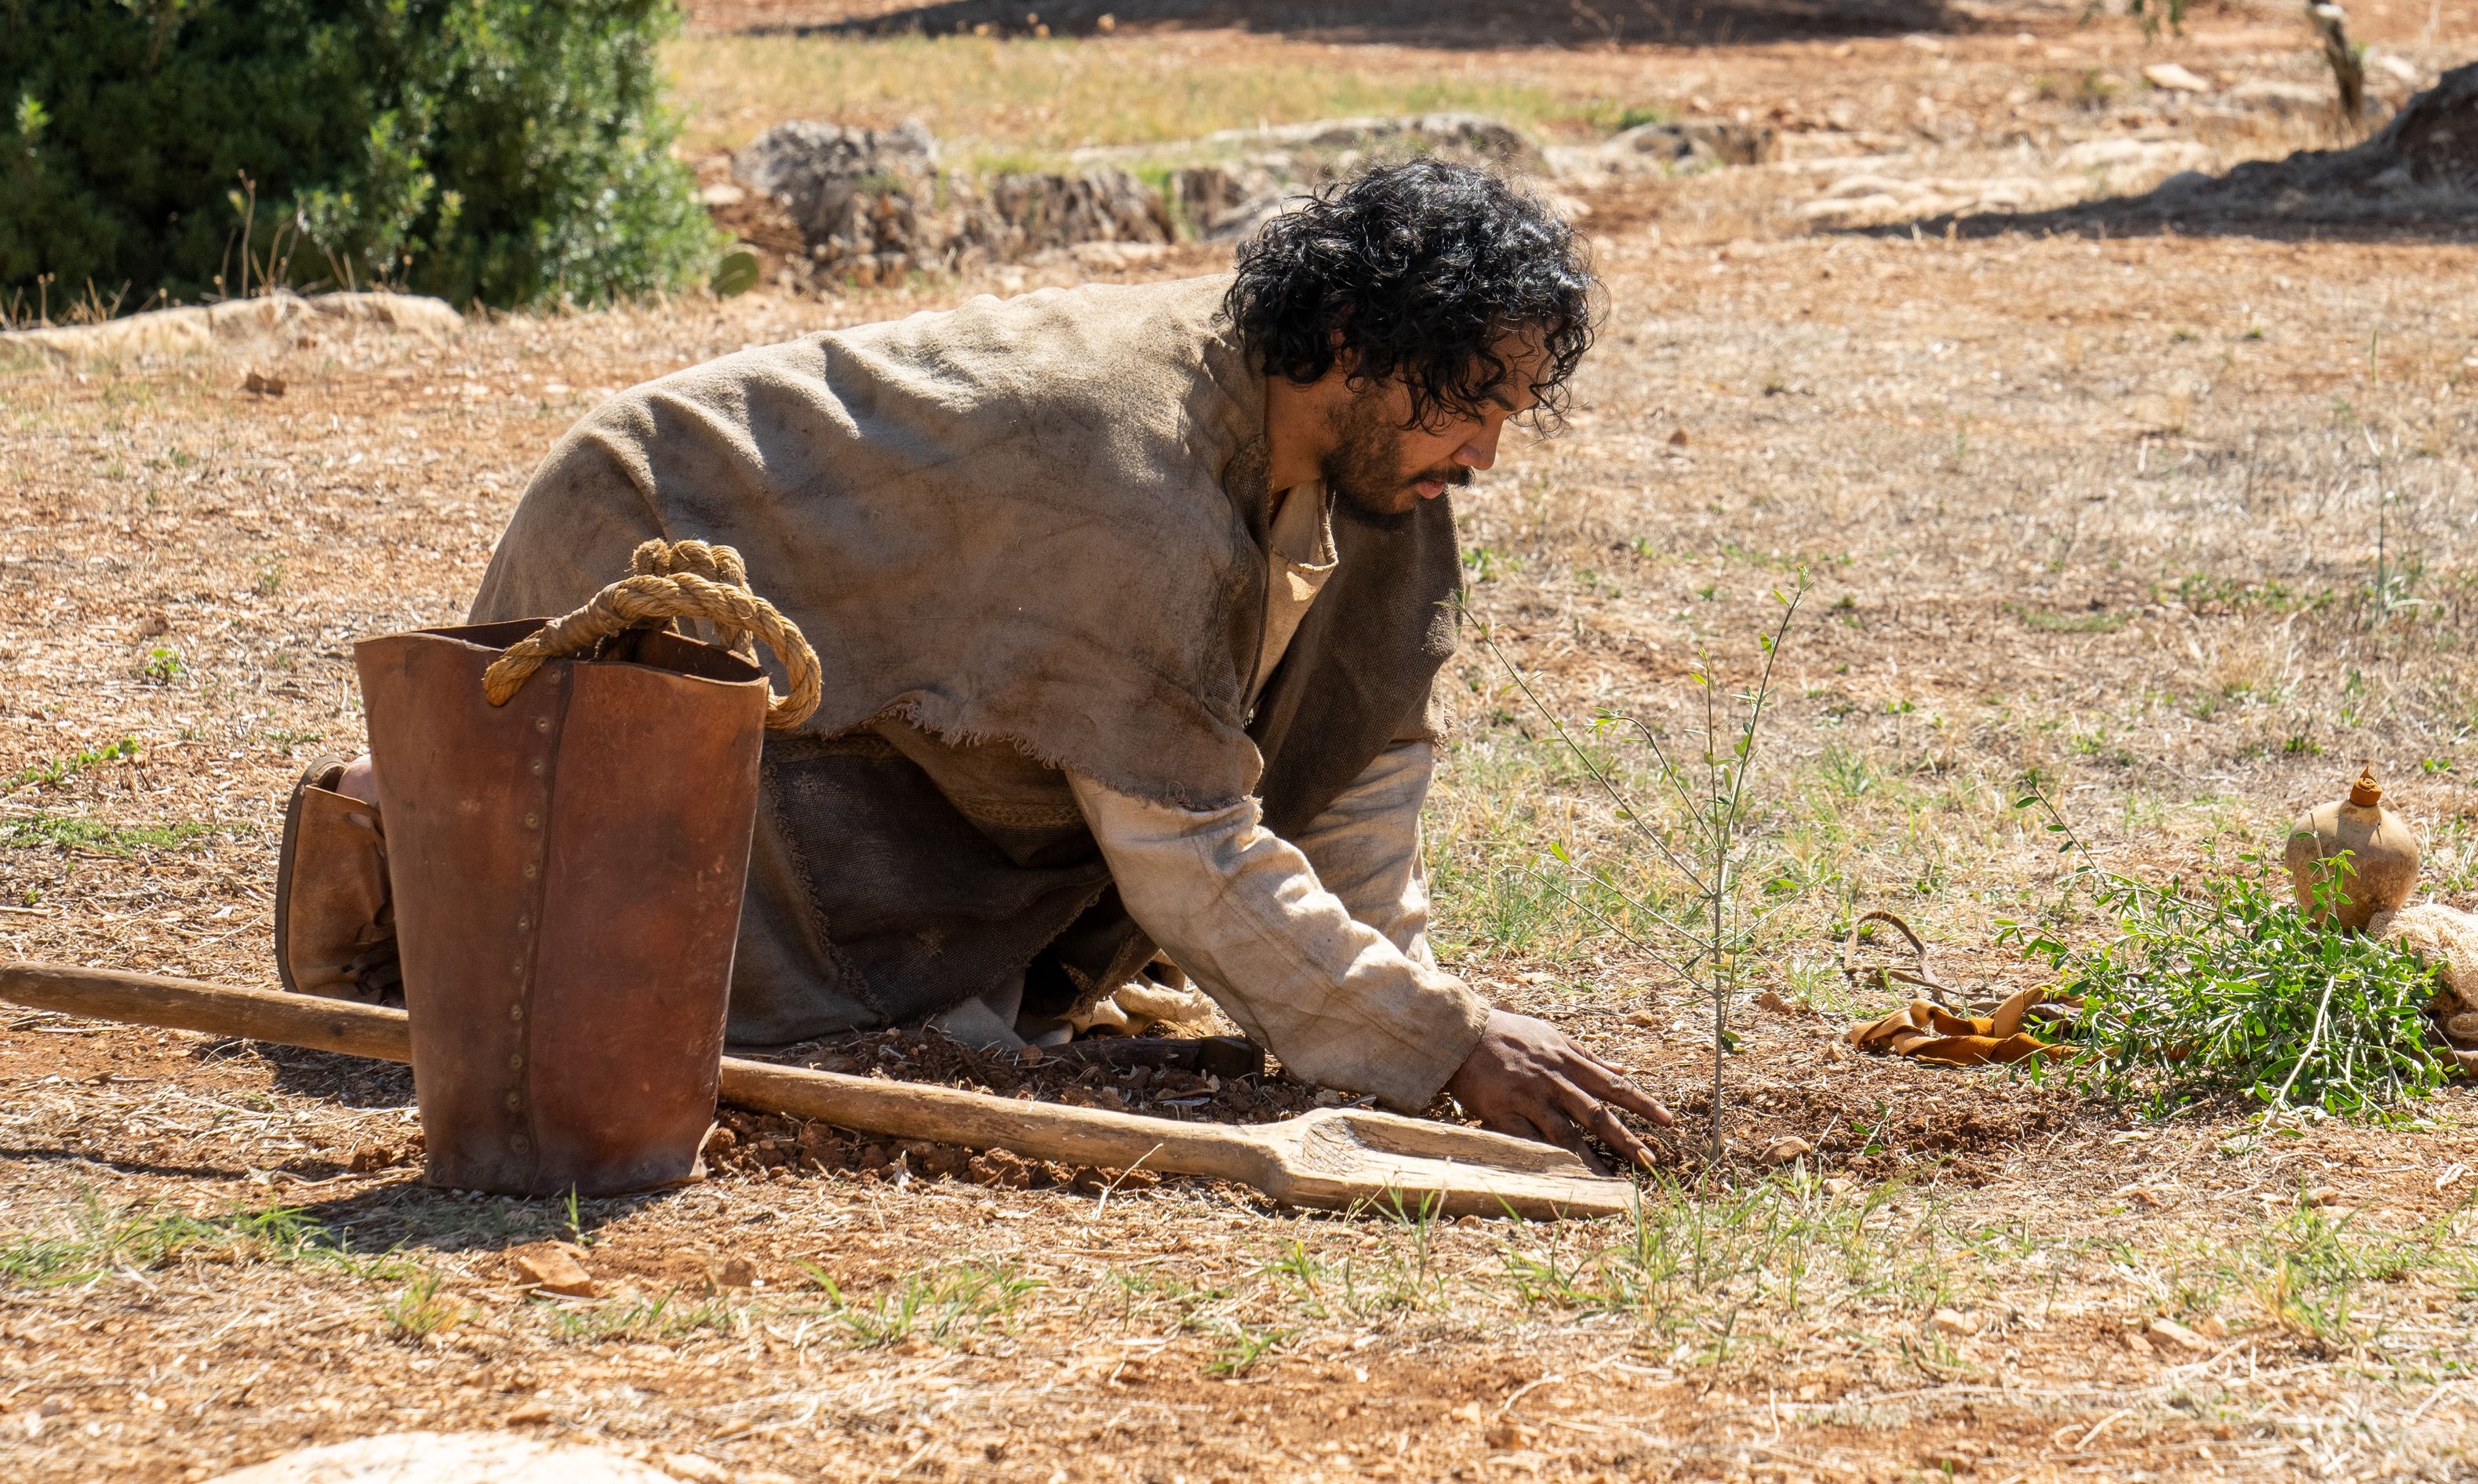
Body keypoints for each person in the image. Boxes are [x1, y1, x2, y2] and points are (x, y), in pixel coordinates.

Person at [274, 158, 1672, 1166]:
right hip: (654, 552)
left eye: (1508, 412)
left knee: (986, 990)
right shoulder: (1136, 480)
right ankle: (412, 815)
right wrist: (1434, 1042)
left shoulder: (1383, 476)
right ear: (1356, 348)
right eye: (1469, 403)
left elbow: (1359, 781)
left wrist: (1414, 1022)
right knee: (801, 1035)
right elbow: (1181, 843)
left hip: (905, 654)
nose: (1484, 454)